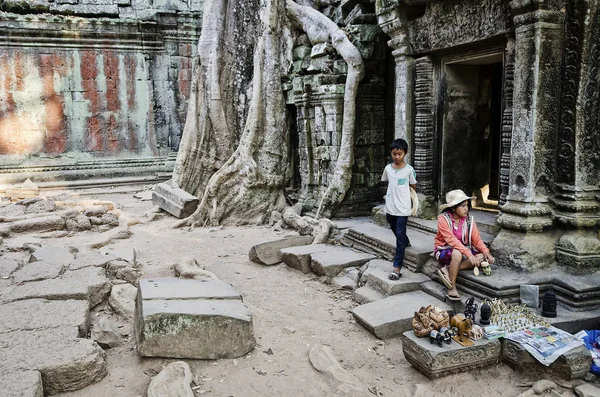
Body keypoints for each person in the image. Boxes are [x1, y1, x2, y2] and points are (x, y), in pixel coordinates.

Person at [434, 189, 495, 301]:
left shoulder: (469, 220)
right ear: (453, 207)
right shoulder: (443, 219)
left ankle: (448, 269)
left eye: (467, 205)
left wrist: (487, 252)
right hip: (445, 250)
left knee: (481, 257)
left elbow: (476, 240)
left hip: (463, 250)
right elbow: (451, 240)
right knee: (457, 254)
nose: (466, 208)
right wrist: (469, 255)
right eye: (463, 206)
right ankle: (452, 287)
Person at [381, 138, 416, 280]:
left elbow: (413, 186)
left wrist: (412, 201)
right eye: (394, 154)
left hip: (403, 207)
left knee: (399, 235)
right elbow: (386, 182)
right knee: (392, 224)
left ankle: (397, 267)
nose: (396, 157)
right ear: (391, 153)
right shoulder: (388, 169)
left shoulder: (409, 170)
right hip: (390, 205)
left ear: (405, 154)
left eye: (399, 154)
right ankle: (405, 241)